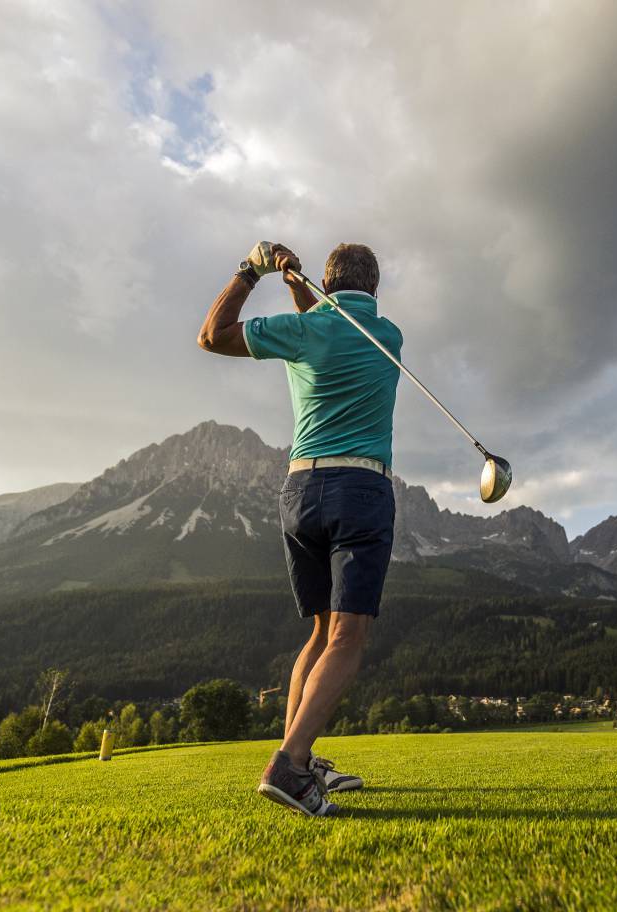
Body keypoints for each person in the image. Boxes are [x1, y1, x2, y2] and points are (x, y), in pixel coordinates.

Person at [197, 241, 401, 817]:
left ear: (327, 285)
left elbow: (213, 336)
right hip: (361, 489)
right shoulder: (389, 338)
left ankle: (300, 760)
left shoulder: (303, 330)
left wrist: (252, 272)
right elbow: (328, 318)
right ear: (375, 291)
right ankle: (289, 765)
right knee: (347, 637)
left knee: (318, 633)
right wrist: (294, 285)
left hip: (300, 492)